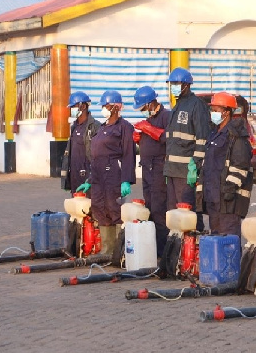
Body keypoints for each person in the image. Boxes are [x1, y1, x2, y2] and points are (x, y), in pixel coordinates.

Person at [76, 90, 136, 264]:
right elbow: (95, 155)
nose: (104, 109)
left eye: (107, 106)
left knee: (114, 208)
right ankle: (106, 249)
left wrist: (126, 179)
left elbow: (128, 155)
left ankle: (118, 250)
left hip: (113, 173)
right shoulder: (102, 128)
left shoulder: (124, 127)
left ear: (116, 107)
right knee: (99, 208)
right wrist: (89, 180)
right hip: (98, 174)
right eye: (103, 106)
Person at [196, 92, 253, 237]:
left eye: (216, 110)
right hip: (212, 198)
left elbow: (240, 166)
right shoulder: (214, 134)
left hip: (228, 202)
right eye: (212, 110)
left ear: (226, 112)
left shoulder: (236, 136)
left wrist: (229, 191)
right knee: (215, 240)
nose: (212, 113)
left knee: (228, 240)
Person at [163, 67, 210, 231]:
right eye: (172, 84)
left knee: (189, 213)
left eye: (176, 83)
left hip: (186, 172)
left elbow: (202, 139)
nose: (173, 87)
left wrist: (195, 166)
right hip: (172, 171)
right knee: (174, 213)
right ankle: (178, 249)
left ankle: (196, 244)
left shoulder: (197, 106)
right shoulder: (176, 106)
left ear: (186, 85)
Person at [132, 86, 170, 258]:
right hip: (147, 168)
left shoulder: (166, 116)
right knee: (149, 208)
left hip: (159, 169)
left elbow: (168, 138)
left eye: (143, 108)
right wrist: (141, 139)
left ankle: (162, 252)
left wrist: (148, 130)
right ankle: (152, 248)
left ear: (150, 103)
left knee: (158, 209)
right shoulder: (150, 119)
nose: (142, 112)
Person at [61, 91, 101, 197]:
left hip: (88, 179)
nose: (71, 110)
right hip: (74, 177)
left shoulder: (95, 127)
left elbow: (99, 156)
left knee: (88, 210)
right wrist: (66, 179)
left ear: (83, 106)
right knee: (75, 210)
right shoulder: (74, 126)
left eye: (73, 107)